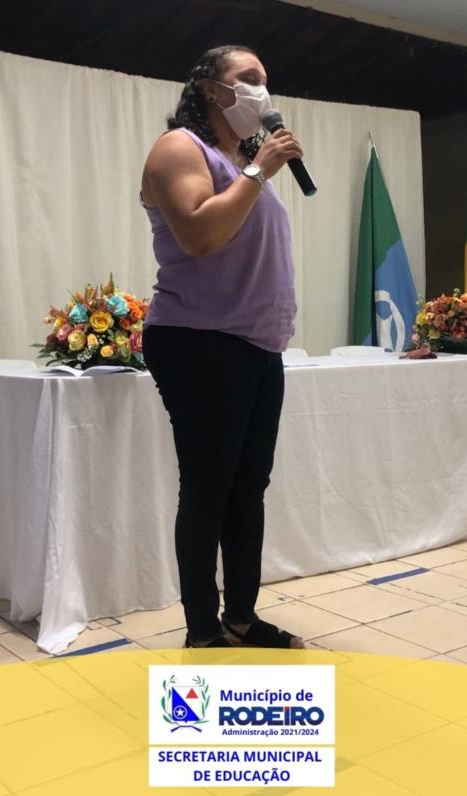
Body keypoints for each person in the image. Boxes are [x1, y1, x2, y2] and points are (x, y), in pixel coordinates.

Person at [141, 45, 304, 649]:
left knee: (248, 486)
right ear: (211, 88)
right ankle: (203, 631)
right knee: (208, 487)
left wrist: (254, 169)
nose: (262, 90)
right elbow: (201, 236)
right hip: (199, 340)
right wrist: (259, 171)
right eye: (249, 78)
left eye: (266, 79)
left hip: (257, 345)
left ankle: (241, 615)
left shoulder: (241, 161)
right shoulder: (180, 148)